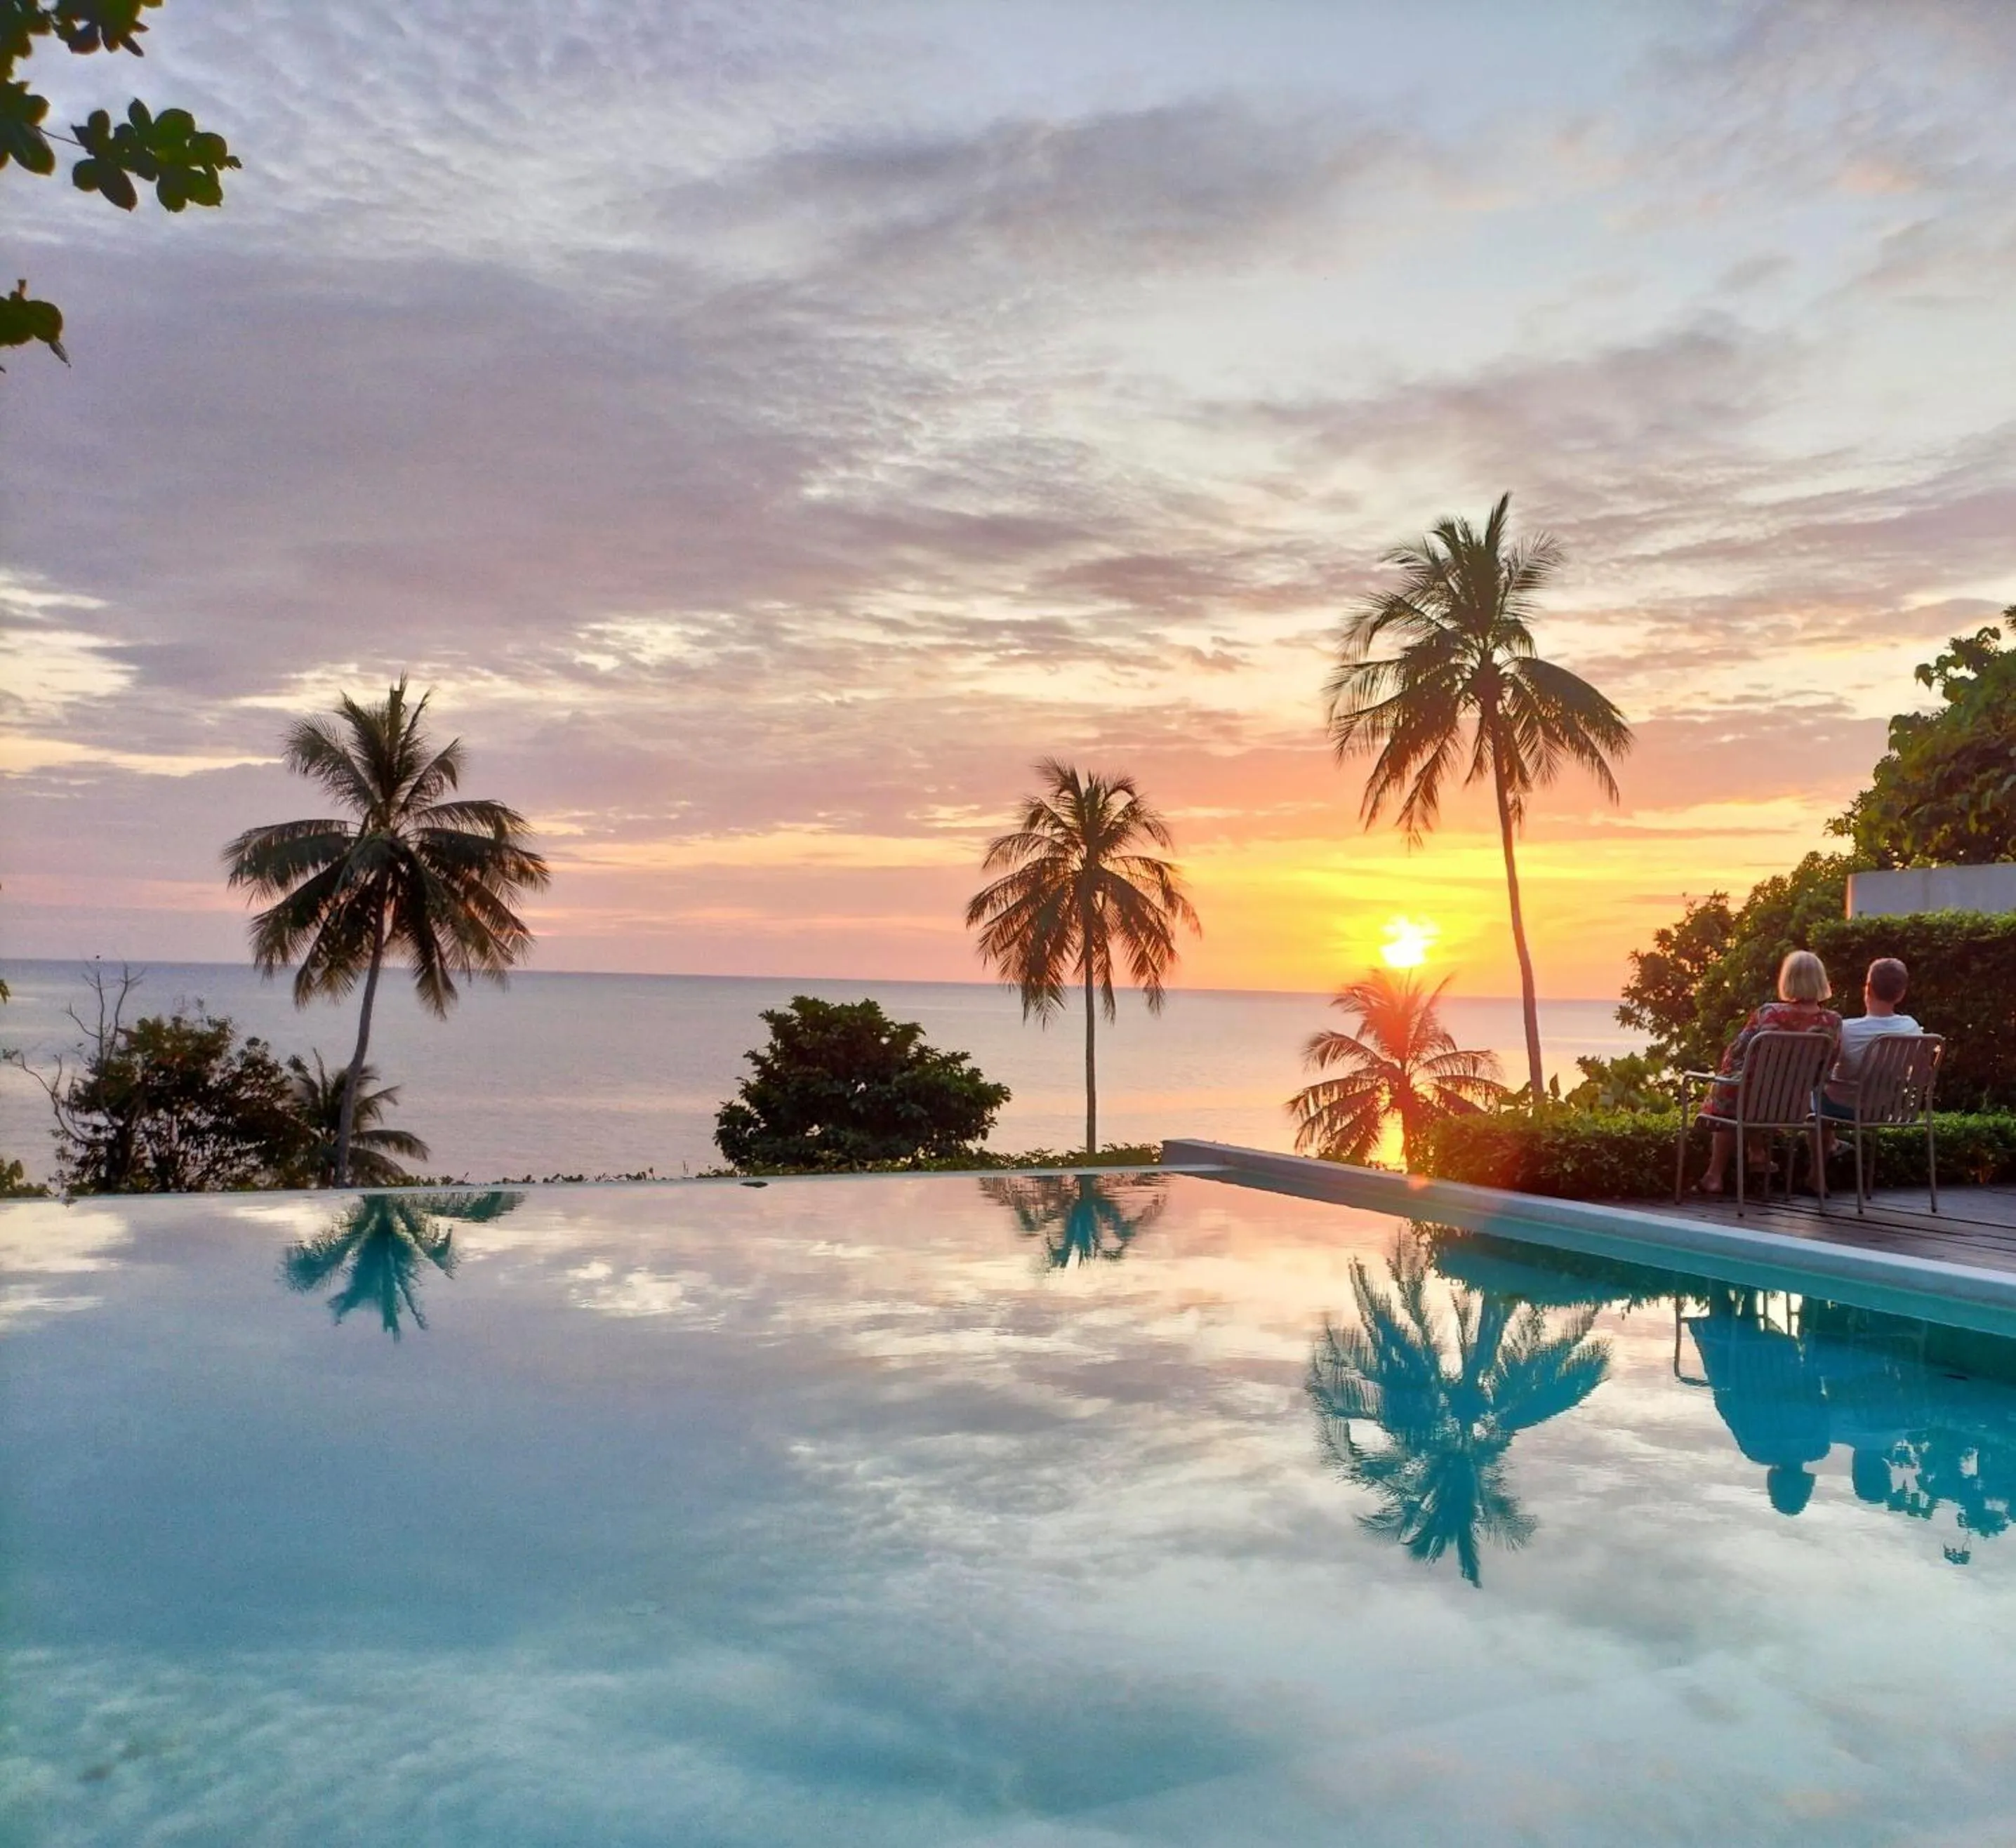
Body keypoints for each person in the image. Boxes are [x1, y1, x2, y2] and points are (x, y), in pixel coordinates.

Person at [1695, 950, 1841, 1195]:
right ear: (1821, 980)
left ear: (1788, 980)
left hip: (1751, 1104)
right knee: (1748, 1089)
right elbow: (1825, 1070)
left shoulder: (1769, 1014)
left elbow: (1737, 1053)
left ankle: (1715, 1176)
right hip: (1796, 1107)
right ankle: (1763, 1157)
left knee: (1730, 1090)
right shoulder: (1833, 1022)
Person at [1820, 957, 1921, 1119]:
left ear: (1868, 989)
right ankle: (1833, 1145)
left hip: (1841, 1106)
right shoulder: (1911, 1028)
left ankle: (1825, 1144)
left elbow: (1825, 1070)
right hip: (1883, 1108)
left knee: (1815, 1091)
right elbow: (1920, 1072)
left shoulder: (1845, 1029)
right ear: (1901, 995)